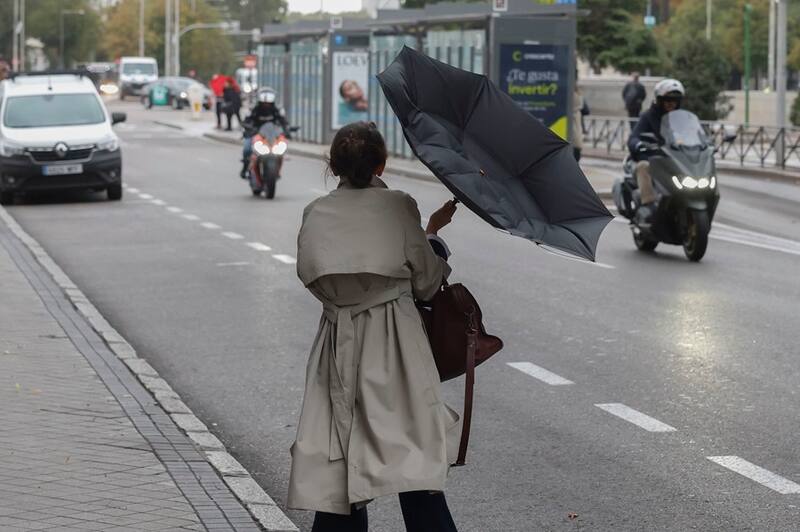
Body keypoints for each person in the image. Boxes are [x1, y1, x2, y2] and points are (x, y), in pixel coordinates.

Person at [290, 121, 461, 532]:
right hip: (395, 345)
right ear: (381, 165)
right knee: (413, 459)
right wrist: (433, 236)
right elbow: (427, 281)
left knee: (341, 463)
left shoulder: (316, 213)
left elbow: (310, 275)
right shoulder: (400, 207)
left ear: (334, 166)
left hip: (339, 343)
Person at [627, 78, 685, 223]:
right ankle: (649, 207)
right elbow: (633, 137)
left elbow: (694, 134)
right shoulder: (648, 116)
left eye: (675, 100)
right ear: (659, 100)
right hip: (652, 159)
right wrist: (639, 144)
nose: (671, 103)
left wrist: (705, 144)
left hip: (673, 159)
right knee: (643, 166)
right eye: (668, 100)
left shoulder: (681, 119)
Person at [240, 88, 290, 178]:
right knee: (247, 149)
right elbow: (246, 121)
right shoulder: (254, 109)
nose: (266, 104)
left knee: (282, 147)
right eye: (264, 102)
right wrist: (248, 128)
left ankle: (277, 170)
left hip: (272, 136)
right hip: (255, 134)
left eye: (268, 102)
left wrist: (287, 130)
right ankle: (245, 168)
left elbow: (283, 122)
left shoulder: (276, 110)